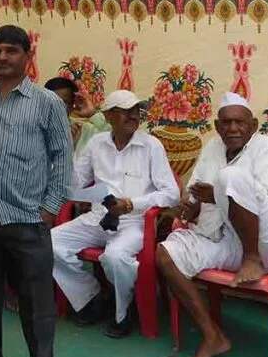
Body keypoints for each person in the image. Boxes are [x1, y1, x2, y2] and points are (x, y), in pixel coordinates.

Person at [149, 92, 268, 357]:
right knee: (167, 253)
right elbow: (195, 190)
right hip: (225, 237)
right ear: (217, 126)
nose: (233, 128)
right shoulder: (213, 147)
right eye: (226, 123)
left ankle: (251, 259)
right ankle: (213, 335)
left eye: (240, 122)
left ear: (253, 125)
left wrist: (217, 193)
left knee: (231, 177)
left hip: (266, 241)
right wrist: (191, 206)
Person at [0, 25, 71, 357]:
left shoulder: (47, 103)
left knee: (36, 302)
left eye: (11, 50)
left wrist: (49, 209)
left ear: (28, 56)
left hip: (28, 217)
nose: (2, 57)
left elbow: (62, 156)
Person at [51, 89, 179, 338]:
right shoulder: (96, 143)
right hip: (98, 217)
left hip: (134, 220)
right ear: (109, 116)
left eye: (136, 110)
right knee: (49, 243)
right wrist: (69, 149)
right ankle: (92, 296)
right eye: (125, 111)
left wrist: (131, 204)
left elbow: (171, 193)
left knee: (116, 257)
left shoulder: (151, 145)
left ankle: (123, 311)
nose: (133, 116)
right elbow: (75, 184)